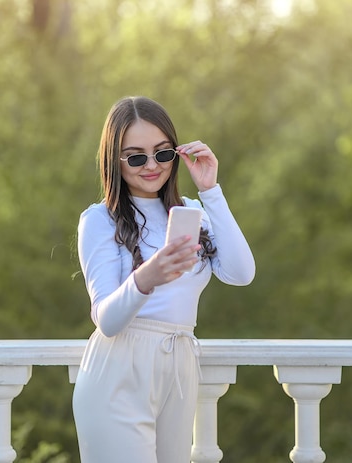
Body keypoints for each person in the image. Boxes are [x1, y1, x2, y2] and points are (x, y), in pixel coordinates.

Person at [72, 96, 255, 463]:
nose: (152, 166)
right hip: (119, 375)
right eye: (136, 157)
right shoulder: (99, 220)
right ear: (115, 161)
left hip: (179, 365)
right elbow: (106, 319)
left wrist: (210, 191)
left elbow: (241, 273)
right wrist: (147, 277)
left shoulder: (193, 211)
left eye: (163, 153)